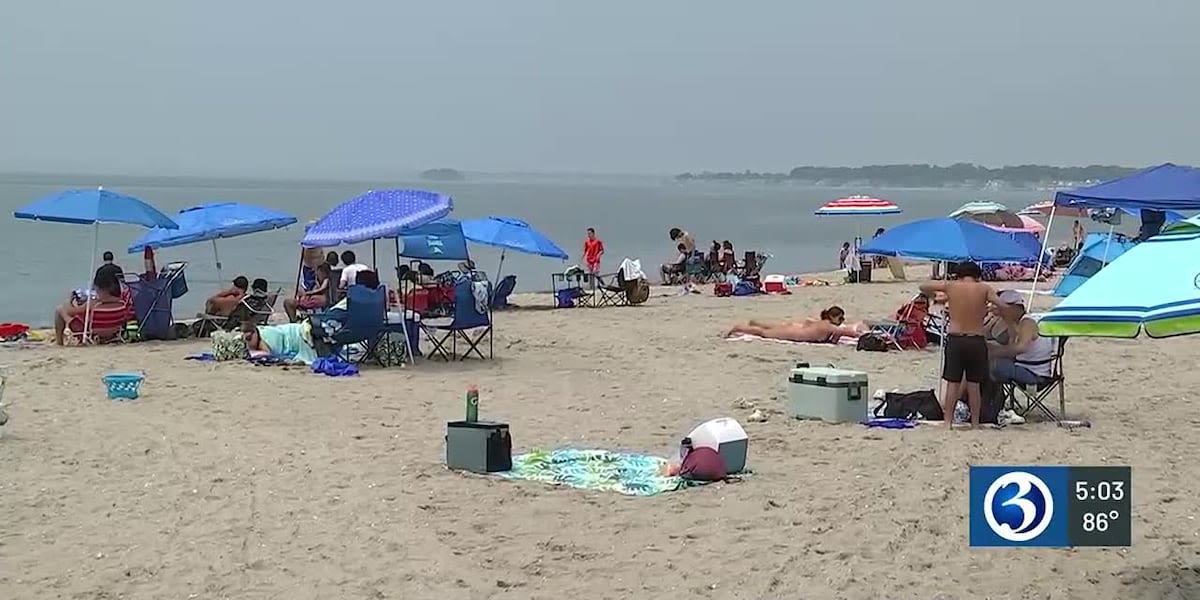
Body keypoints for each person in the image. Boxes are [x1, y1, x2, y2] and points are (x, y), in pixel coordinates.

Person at [919, 262, 1011, 429]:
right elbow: (1003, 305)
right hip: (976, 340)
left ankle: (948, 422)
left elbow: (923, 286)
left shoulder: (952, 286)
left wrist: (937, 294)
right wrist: (992, 310)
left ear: (959, 274)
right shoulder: (984, 288)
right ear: (977, 275)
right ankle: (975, 424)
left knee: (953, 384)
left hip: (956, 339)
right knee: (974, 385)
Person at [988, 290, 1054, 385]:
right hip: (1027, 368)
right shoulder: (1020, 322)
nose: (1001, 313)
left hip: (1034, 373)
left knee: (987, 364)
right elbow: (1012, 348)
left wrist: (993, 353)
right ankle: (992, 398)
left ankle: (984, 398)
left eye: (1002, 309)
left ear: (1013, 308)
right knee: (984, 362)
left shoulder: (1027, 322)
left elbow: (1020, 348)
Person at [53, 270, 129, 345]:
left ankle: (59, 342)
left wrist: (70, 301)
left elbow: (71, 311)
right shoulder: (121, 303)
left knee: (59, 310)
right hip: (113, 334)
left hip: (92, 335)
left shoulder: (94, 304)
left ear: (98, 287)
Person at [722, 306, 865, 343]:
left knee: (770, 327)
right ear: (832, 317)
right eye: (840, 319)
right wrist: (863, 333)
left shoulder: (824, 323)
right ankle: (738, 328)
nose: (842, 321)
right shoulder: (828, 326)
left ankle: (755, 322)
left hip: (795, 329)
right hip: (794, 334)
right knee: (763, 333)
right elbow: (848, 333)